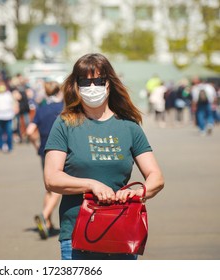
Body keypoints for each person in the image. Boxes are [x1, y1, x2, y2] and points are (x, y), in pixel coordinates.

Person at [43, 53, 164, 260]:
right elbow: (52, 178)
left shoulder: (129, 126)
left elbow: (156, 177)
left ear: (109, 83)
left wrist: (138, 192)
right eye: (85, 81)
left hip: (121, 233)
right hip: (76, 236)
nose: (92, 87)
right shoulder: (64, 124)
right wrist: (91, 185)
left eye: (98, 80)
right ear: (76, 85)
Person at [26, 81, 63, 240]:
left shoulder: (41, 109)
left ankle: (47, 223)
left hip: (44, 151)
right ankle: (44, 214)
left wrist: (36, 145)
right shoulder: (63, 108)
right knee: (58, 188)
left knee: (49, 187)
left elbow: (29, 131)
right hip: (62, 152)